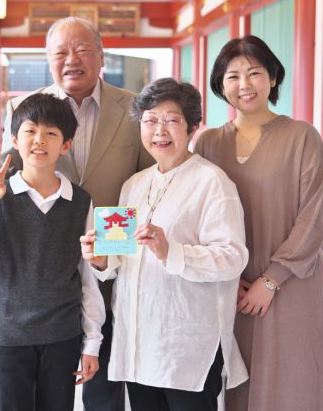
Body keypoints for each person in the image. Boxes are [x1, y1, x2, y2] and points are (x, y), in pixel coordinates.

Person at [0, 16, 154, 411]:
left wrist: (109, 254)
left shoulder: (133, 106)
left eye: (83, 49)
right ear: (48, 60)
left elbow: (143, 183)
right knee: (49, 387)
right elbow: (9, 187)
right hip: (46, 270)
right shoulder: (24, 108)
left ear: (101, 56)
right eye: (61, 52)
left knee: (103, 379)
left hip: (111, 254)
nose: (72, 59)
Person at [81, 78, 249, 411]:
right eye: (150, 120)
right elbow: (120, 257)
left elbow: (232, 258)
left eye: (171, 120)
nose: (159, 130)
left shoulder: (212, 182)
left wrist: (171, 252)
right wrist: (101, 260)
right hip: (138, 343)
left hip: (186, 343)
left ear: (192, 127)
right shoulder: (133, 185)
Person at [194, 35, 323, 411]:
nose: (244, 84)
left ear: (272, 78)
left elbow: (313, 216)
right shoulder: (208, 143)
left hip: (291, 283)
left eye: (254, 73)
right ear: (221, 86)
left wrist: (271, 280)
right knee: (240, 381)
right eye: (233, 76)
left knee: (292, 379)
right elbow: (196, 210)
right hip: (232, 285)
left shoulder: (302, 137)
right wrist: (224, 275)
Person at [0, 93, 105, 411]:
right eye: (31, 131)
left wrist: (92, 343)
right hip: (9, 335)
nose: (40, 140)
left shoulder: (81, 201)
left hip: (62, 335)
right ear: (15, 139)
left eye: (51, 133)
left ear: (65, 144)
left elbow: (88, 277)